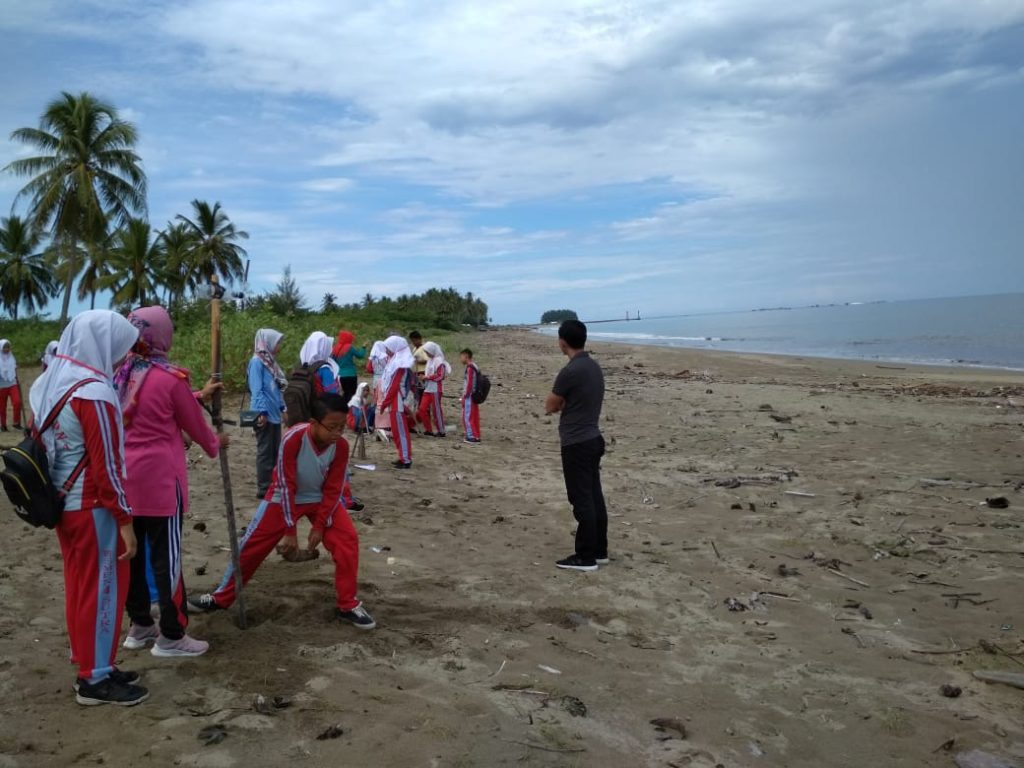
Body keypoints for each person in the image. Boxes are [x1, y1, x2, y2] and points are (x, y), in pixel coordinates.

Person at [29, 310, 147, 705]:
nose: (120, 356)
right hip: (93, 505)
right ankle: (94, 679)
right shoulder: (94, 391)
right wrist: (124, 518)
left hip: (63, 502)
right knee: (104, 589)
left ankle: (90, 659)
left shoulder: (50, 381)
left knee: (81, 585)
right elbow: (107, 465)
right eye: (120, 347)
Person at [189, 394, 376, 630]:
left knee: (347, 541)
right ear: (314, 422)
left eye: (342, 427)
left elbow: (333, 488)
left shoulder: (340, 446)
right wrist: (290, 530)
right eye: (331, 427)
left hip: (319, 497)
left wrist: (319, 526)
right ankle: (221, 598)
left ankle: (347, 605)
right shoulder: (293, 438)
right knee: (251, 547)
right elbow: (286, 484)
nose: (337, 433)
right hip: (283, 495)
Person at [114, 306, 224, 658]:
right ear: (163, 335)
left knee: (133, 555)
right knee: (167, 560)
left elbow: (152, 407)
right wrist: (216, 442)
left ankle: (140, 625)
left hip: (126, 482)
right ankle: (172, 635)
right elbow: (196, 428)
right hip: (161, 484)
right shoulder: (170, 378)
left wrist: (197, 397)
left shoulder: (122, 374)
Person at [544, 320, 608, 572]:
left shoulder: (571, 370)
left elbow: (550, 405)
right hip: (592, 438)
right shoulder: (593, 367)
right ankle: (599, 550)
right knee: (593, 495)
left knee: (581, 498)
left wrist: (562, 404)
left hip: (577, 442)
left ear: (562, 342)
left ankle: (586, 556)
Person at [249, 328, 287, 498]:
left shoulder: (270, 363)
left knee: (275, 450)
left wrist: (282, 408)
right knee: (265, 451)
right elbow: (257, 389)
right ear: (268, 342)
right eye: (278, 342)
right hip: (263, 413)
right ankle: (264, 488)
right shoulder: (257, 362)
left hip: (273, 413)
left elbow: (276, 390)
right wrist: (261, 412)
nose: (279, 346)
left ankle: (273, 484)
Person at [379, 335, 414, 468]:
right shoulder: (397, 362)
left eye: (388, 348)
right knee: (399, 431)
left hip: (396, 402)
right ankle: (403, 457)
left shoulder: (399, 364)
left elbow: (394, 386)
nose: (387, 351)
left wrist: (384, 403)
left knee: (400, 432)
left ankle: (405, 459)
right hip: (396, 402)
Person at [417, 341, 450, 437]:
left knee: (436, 410)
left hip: (435, 389)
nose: (426, 353)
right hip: (428, 388)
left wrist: (426, 377)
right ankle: (429, 429)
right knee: (422, 409)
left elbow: (441, 376)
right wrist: (424, 376)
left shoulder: (439, 361)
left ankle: (441, 430)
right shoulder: (431, 360)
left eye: (427, 352)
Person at [300, 331, 339, 397]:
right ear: (324, 348)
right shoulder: (324, 369)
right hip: (320, 405)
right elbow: (332, 393)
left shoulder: (302, 364)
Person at [331, 329, 366, 402]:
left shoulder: (335, 348)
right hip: (351, 374)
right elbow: (360, 355)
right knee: (352, 393)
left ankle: (344, 408)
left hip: (340, 375)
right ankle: (351, 409)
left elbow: (332, 360)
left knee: (345, 392)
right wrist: (363, 348)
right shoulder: (350, 347)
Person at [459, 348, 481, 444]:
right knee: (473, 416)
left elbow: (469, 384)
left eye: (461, 356)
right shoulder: (474, 366)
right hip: (474, 395)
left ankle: (471, 437)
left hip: (470, 396)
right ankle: (476, 436)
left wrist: (465, 396)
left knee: (467, 417)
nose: (461, 359)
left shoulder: (470, 368)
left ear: (466, 356)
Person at [0, 340, 23, 431]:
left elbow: (13, 370)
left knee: (17, 402)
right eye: (4, 347)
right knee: (2, 406)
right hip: (1, 386)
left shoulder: (12, 357)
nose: (6, 349)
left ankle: (16, 422)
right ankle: (3, 425)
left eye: (8, 347)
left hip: (12, 383)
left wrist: (17, 380)